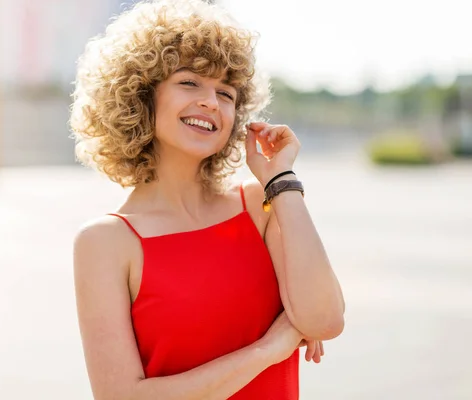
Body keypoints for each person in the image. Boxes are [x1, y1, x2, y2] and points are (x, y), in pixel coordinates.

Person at [70, 1, 345, 399]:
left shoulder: (260, 207)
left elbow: (325, 319)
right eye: (189, 82)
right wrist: (271, 348)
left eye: (226, 93)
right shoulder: (105, 242)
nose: (211, 103)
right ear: (142, 95)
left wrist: (281, 180)